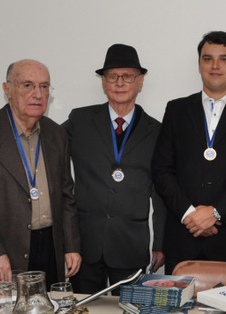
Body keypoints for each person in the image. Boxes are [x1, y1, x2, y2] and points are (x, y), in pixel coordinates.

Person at [0, 59, 81, 293]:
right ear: (7, 89)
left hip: (50, 248)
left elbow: (66, 195)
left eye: (44, 86)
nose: (37, 94)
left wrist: (71, 246)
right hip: (3, 253)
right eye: (28, 85)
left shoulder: (57, 134)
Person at [152, 31, 226, 273]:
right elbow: (162, 169)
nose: (215, 66)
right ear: (199, 64)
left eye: (224, 59)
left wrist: (216, 213)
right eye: (207, 59)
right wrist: (191, 215)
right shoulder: (176, 110)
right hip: (183, 236)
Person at [63, 44, 165, 294]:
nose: (120, 83)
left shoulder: (158, 132)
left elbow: (162, 193)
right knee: (82, 310)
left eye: (128, 76)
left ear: (140, 82)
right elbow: (48, 150)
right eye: (112, 76)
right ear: (103, 82)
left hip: (131, 246)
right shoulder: (80, 120)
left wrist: (160, 243)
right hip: (84, 247)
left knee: (130, 309)